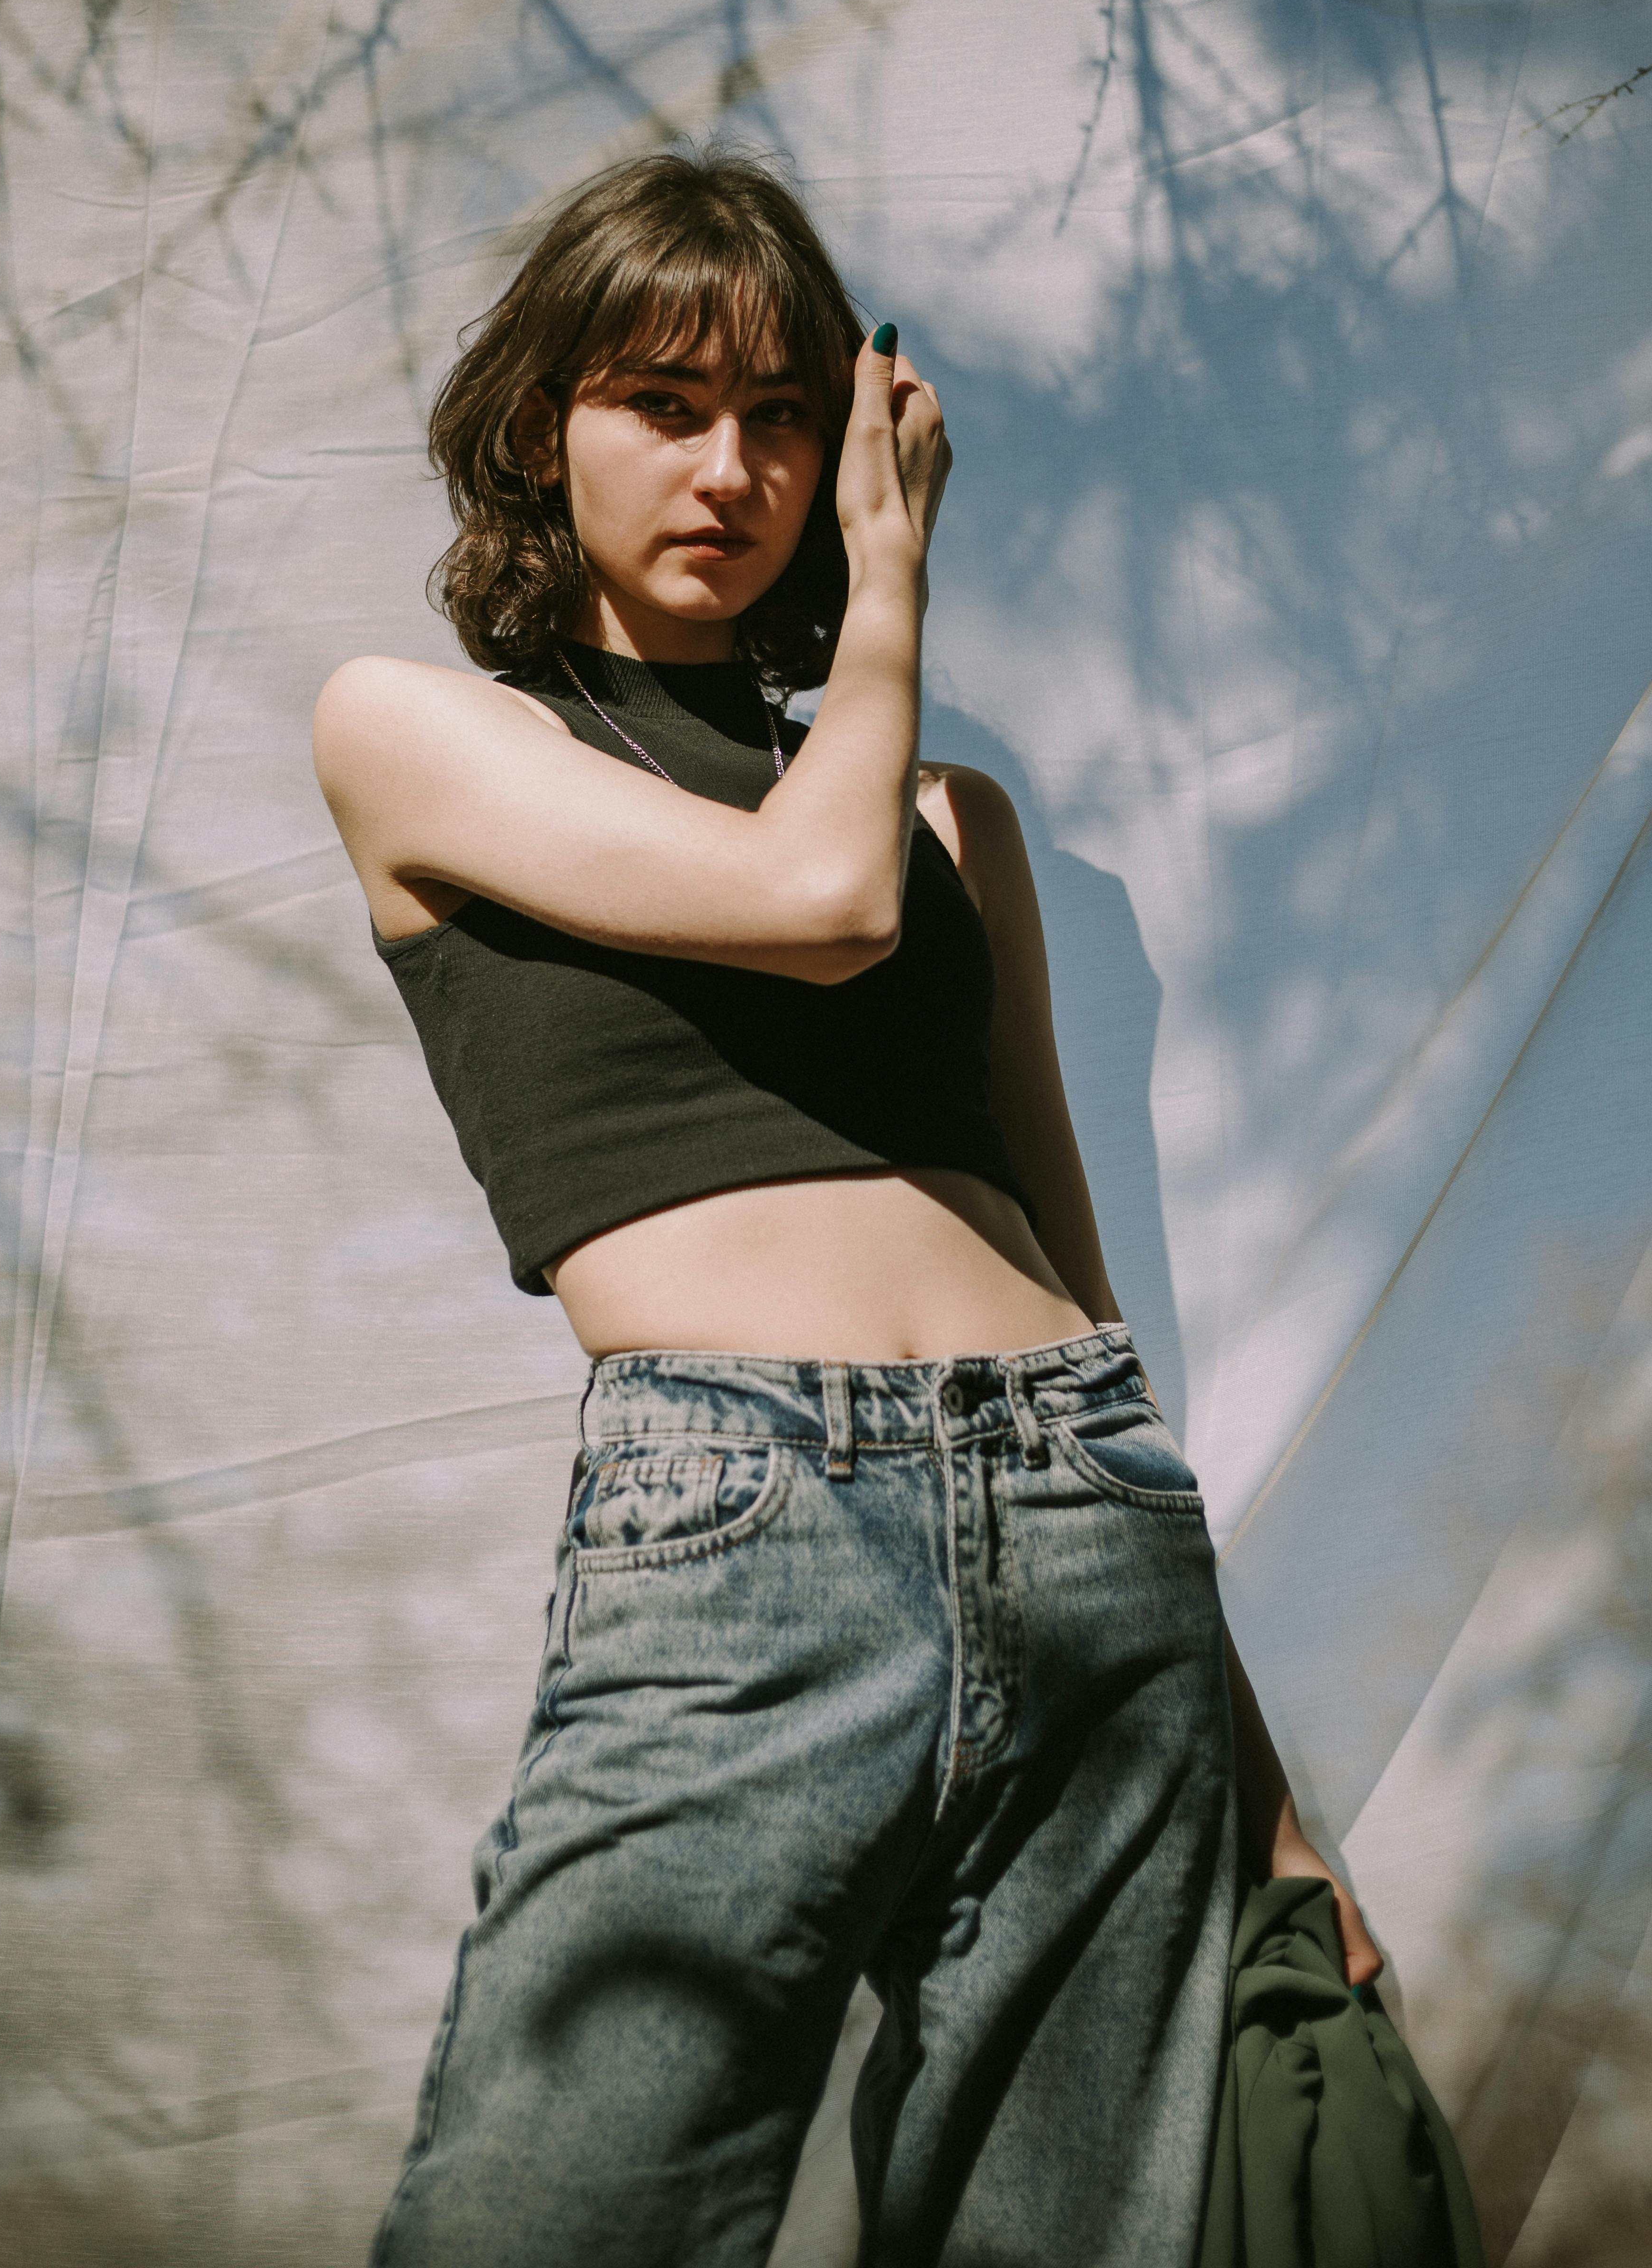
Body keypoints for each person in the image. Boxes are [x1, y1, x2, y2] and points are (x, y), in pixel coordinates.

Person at [314, 152, 1378, 2268]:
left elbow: (1077, 1281)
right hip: (744, 1523)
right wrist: (891, 582)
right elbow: (809, 907)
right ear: (545, 428)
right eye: (663, 403)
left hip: (1087, 1534)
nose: (734, 468)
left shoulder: (946, 821)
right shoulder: (419, 733)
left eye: (785, 417)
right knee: (551, 2219)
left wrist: (1264, 1803)